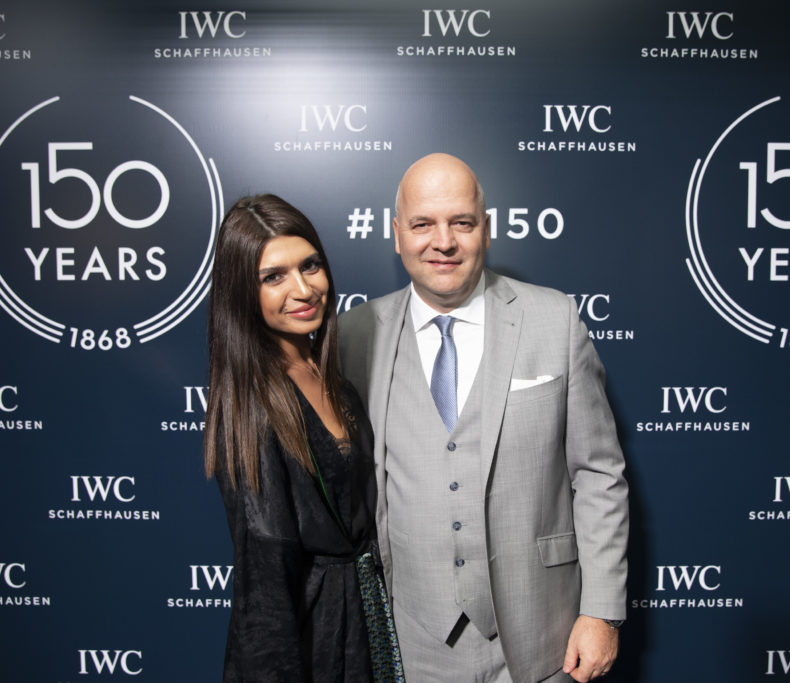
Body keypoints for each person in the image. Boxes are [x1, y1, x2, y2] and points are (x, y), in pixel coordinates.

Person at [338, 154, 629, 682]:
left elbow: (598, 473)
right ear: (397, 234)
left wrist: (602, 612)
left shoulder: (555, 320)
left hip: (545, 637)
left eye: (461, 223)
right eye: (422, 224)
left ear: (486, 230)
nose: (443, 242)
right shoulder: (355, 335)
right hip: (411, 643)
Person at [203, 194, 403, 682]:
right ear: (242, 293)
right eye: (274, 277)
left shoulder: (333, 377)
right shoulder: (251, 405)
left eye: (310, 266)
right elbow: (265, 582)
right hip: (314, 640)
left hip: (366, 619)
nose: (303, 289)